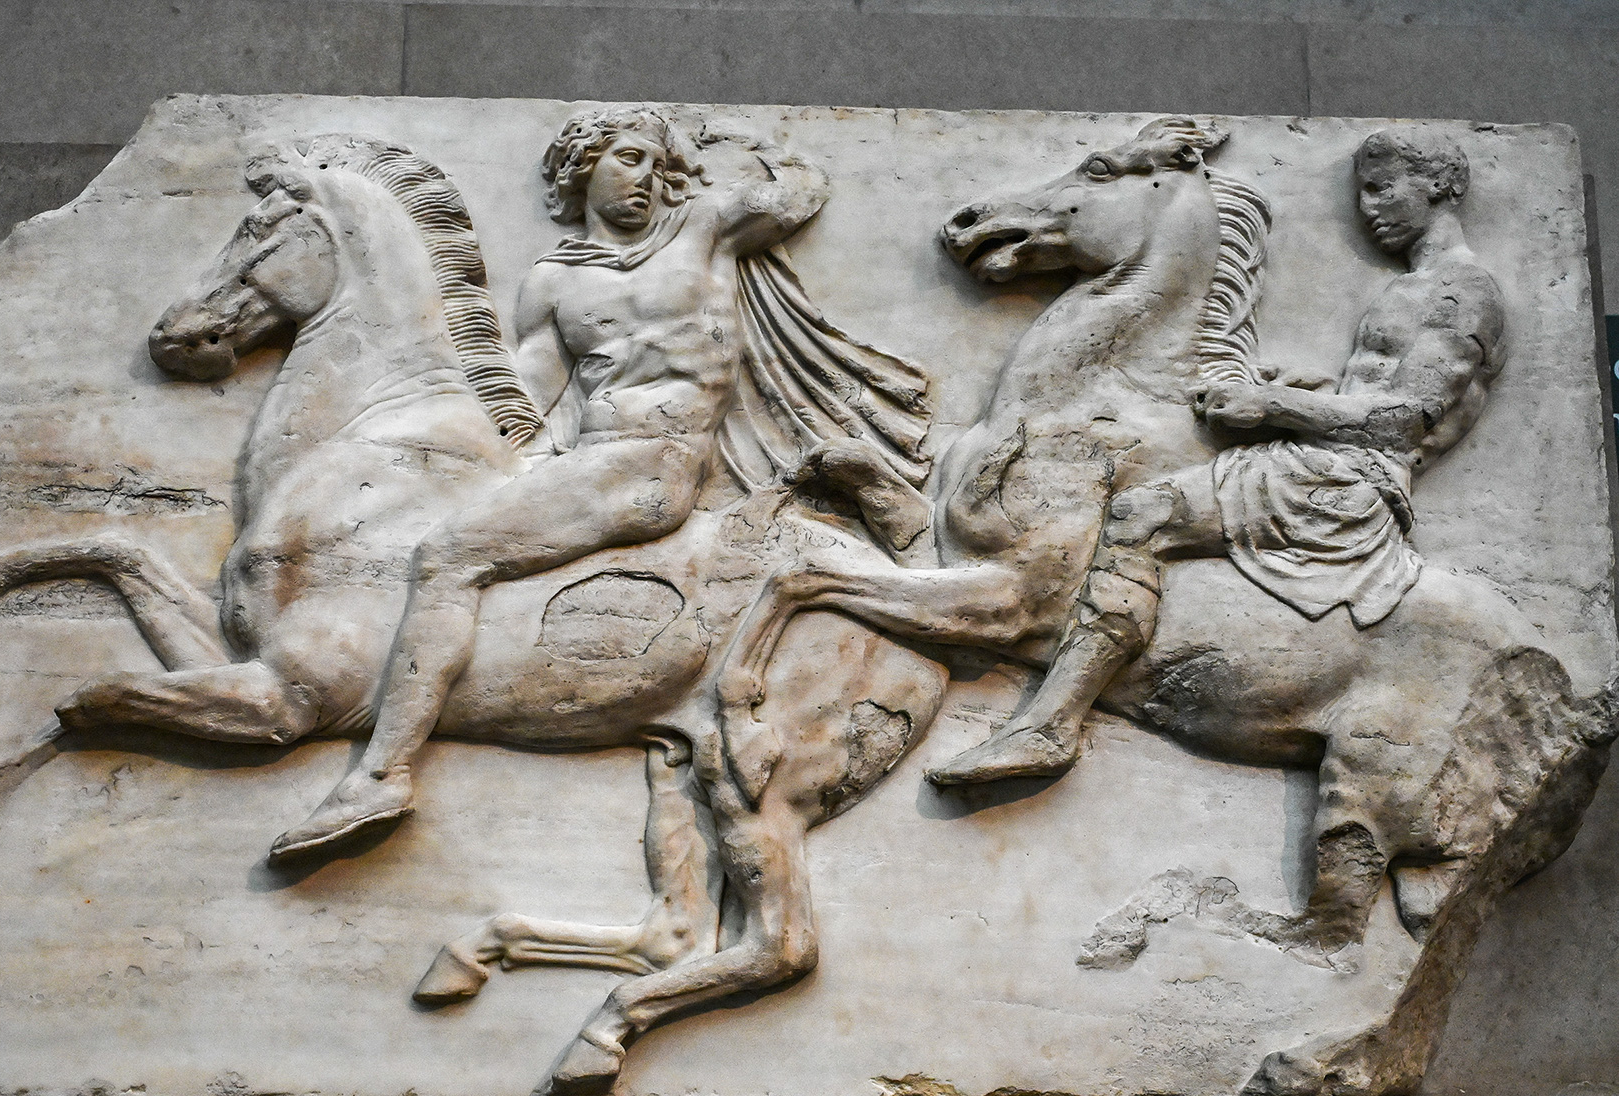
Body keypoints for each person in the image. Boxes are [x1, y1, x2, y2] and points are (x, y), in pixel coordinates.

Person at [273, 105, 929, 859]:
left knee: (449, 556)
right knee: (446, 532)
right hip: (586, 461)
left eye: (657, 163)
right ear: (581, 169)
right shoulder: (554, 280)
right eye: (626, 159)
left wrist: (726, 142)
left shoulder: (704, 229)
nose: (644, 178)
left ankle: (382, 774)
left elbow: (798, 193)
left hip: (653, 466)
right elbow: (530, 399)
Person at [928, 126, 1507, 786]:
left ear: (1441, 187)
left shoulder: (1464, 293)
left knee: (1141, 513)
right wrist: (1289, 389)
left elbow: (1408, 419)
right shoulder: (1412, 288)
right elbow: (1366, 395)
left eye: (1382, 189)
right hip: (1326, 458)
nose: (1370, 207)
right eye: (1361, 192)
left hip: (1350, 483)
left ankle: (1052, 725)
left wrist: (1274, 410)